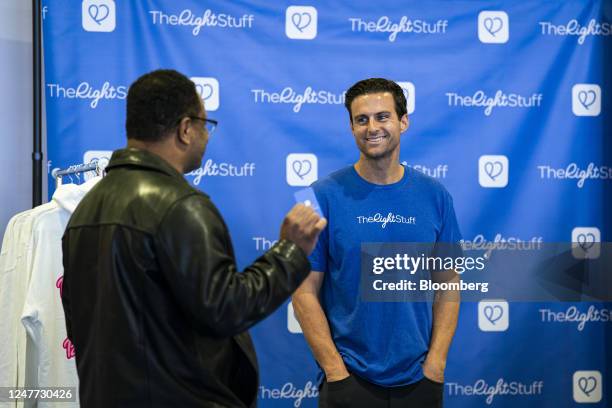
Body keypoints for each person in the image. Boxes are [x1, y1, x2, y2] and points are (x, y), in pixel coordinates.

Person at [61, 69, 327, 408]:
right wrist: (290, 250)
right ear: (186, 129)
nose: (206, 136)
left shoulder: (84, 212)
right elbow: (227, 309)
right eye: (205, 124)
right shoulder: (180, 205)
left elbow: (78, 322)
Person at [292, 78, 462, 407]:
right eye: (361, 119)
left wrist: (436, 366)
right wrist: (334, 371)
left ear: (403, 121)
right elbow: (303, 291)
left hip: (419, 379)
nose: (372, 127)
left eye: (382, 117)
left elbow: (449, 282)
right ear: (352, 127)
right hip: (348, 379)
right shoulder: (317, 196)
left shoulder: (436, 196)